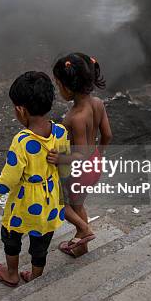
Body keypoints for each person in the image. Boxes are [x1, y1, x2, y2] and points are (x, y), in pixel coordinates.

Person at [0, 71, 69, 286]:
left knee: (11, 236)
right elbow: (65, 167)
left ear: (21, 110)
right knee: (41, 241)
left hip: (24, 202)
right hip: (50, 201)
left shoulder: (21, 141)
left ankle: (11, 274)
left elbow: (10, 177)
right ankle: (35, 277)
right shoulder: (60, 131)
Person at [48, 53, 112, 257]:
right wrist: (99, 156)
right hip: (95, 164)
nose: (59, 90)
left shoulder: (75, 117)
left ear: (68, 87)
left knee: (58, 203)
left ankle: (84, 231)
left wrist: (60, 159)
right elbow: (108, 135)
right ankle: (82, 247)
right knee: (78, 204)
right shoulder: (98, 103)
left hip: (79, 169)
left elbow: (80, 155)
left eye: (58, 85)